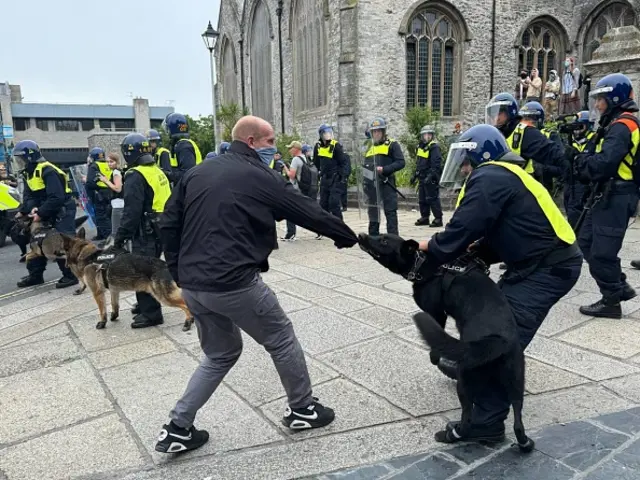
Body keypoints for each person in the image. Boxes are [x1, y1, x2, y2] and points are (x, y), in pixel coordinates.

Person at [156, 115, 358, 454]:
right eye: (268, 142)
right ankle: (303, 409)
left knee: (219, 354)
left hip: (194, 284)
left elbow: (168, 222)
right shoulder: (259, 174)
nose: (274, 149)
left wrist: (180, 272)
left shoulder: (197, 172)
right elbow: (303, 208)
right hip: (233, 282)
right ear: (251, 141)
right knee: (280, 337)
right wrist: (347, 235)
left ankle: (178, 428)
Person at [421, 123, 581, 444]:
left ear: (481, 154)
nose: (464, 169)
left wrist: (433, 249)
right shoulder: (506, 176)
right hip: (540, 264)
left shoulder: (490, 175)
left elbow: (466, 225)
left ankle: (485, 423)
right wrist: (477, 252)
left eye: (466, 162)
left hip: (546, 269)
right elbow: (507, 231)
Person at [574, 73, 640, 318]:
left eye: (601, 99)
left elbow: (604, 163)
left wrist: (582, 163)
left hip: (617, 195)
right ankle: (618, 286)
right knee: (587, 241)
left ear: (614, 97)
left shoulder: (623, 126)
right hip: (607, 194)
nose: (598, 105)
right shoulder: (614, 124)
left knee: (602, 251)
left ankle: (612, 299)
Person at [113, 133, 172, 328]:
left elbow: (131, 211)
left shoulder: (135, 175)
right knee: (153, 268)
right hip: (161, 227)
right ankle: (146, 303)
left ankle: (151, 314)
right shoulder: (156, 170)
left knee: (142, 272)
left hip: (145, 231)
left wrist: (120, 237)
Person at [12, 140, 79, 288]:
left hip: (62, 210)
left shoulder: (48, 170)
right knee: (37, 242)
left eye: (20, 159)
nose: (18, 163)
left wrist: (40, 212)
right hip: (46, 209)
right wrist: (24, 211)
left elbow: (57, 197)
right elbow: (29, 196)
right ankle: (35, 276)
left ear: (29, 157)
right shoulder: (28, 173)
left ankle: (71, 276)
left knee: (62, 243)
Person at [486, 93, 565, 181]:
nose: (495, 118)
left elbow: (555, 155)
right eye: (492, 114)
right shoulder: (494, 135)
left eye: (499, 113)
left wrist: (543, 169)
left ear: (509, 112)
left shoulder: (525, 132)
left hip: (522, 187)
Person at [363, 118, 406, 235]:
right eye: (374, 132)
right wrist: (365, 182)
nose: (376, 134)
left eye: (378, 131)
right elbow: (365, 167)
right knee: (373, 211)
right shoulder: (369, 148)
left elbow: (401, 162)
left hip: (387, 183)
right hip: (372, 186)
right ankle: (373, 237)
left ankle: (393, 238)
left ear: (383, 131)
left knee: (390, 211)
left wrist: (384, 169)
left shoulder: (392, 144)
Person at [563, 111, 596, 228]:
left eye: (580, 127)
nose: (576, 131)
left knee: (580, 221)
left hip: (585, 185)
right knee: (570, 215)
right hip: (569, 183)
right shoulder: (570, 142)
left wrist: (577, 156)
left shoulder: (594, 141)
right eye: (575, 127)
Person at [313, 124, 348, 228]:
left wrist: (342, 176)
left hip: (335, 178)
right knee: (323, 204)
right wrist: (321, 172)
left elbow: (343, 162)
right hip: (324, 178)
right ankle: (326, 227)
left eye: (329, 133)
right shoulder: (318, 146)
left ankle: (340, 227)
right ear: (321, 135)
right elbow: (316, 162)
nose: (328, 135)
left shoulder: (336, 145)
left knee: (334, 203)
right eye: (325, 133)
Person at [412, 125, 443, 227]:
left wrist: (430, 176)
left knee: (432, 198)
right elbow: (419, 163)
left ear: (432, 136)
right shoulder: (420, 147)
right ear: (422, 136)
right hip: (422, 176)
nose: (427, 137)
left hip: (431, 177)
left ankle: (438, 219)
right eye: (425, 135)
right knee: (422, 198)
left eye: (429, 134)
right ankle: (425, 217)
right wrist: (415, 175)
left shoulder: (434, 147)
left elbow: (436, 164)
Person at [163, 113, 202, 185]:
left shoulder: (183, 146)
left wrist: (167, 175)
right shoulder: (184, 144)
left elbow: (187, 173)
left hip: (190, 189)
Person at [281, 141, 307, 241]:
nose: (289, 150)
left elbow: (291, 175)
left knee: (289, 210)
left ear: (295, 149)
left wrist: (285, 169)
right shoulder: (305, 158)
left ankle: (290, 233)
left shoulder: (296, 159)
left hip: (295, 188)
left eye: (290, 148)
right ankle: (320, 230)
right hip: (304, 187)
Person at [85, 146, 112, 240]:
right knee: (107, 216)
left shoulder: (94, 165)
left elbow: (90, 183)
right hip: (110, 193)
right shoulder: (107, 164)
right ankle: (101, 235)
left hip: (99, 194)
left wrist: (86, 181)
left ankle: (107, 239)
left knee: (101, 217)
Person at [97, 152, 124, 235]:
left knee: (116, 232)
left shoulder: (116, 172)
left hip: (118, 205)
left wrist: (106, 181)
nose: (109, 164)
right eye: (108, 162)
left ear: (117, 162)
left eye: (111, 162)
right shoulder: (119, 171)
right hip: (119, 204)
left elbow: (118, 188)